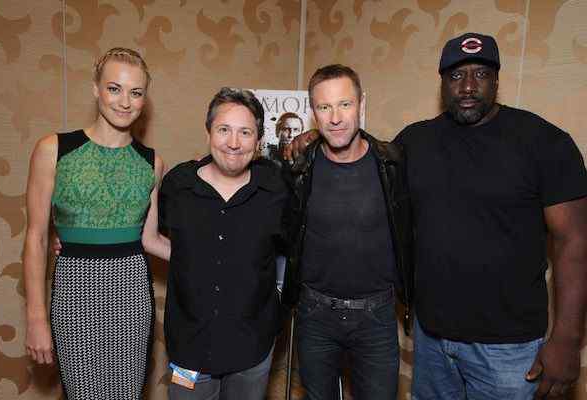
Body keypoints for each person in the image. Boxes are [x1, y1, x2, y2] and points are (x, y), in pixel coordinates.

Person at [286, 33, 587, 400]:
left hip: (507, 348)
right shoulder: (414, 142)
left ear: (497, 79)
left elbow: (574, 241)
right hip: (431, 340)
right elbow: (360, 154)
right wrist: (313, 139)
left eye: (481, 74)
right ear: (442, 82)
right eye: (456, 76)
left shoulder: (544, 143)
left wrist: (568, 337)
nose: (468, 86)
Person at [23, 48, 165, 399]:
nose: (125, 102)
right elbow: (37, 238)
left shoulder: (152, 163)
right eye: (114, 88)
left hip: (131, 293)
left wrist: (215, 257)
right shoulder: (54, 149)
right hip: (74, 291)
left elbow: (151, 240)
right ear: (95, 88)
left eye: (136, 93)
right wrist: (36, 318)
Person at [281, 64, 414, 400]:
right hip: (315, 314)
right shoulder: (297, 167)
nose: (335, 118)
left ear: (361, 104)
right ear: (313, 113)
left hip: (376, 317)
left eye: (345, 104)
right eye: (324, 107)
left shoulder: (393, 163)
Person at [148, 87, 289, 400]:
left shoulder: (276, 190)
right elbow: (147, 234)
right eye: (224, 129)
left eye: (245, 132)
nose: (234, 143)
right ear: (208, 132)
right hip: (189, 348)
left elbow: (298, 246)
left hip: (253, 346)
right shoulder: (178, 185)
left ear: (259, 139)